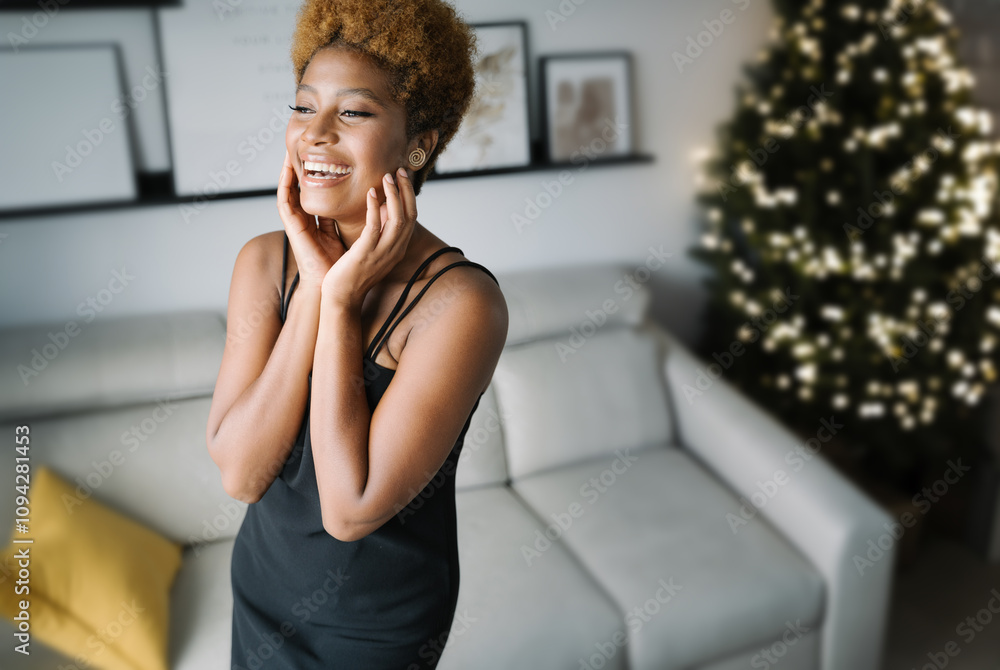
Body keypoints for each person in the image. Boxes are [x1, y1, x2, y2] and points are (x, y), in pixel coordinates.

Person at [204, 0, 508, 667]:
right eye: (303, 107)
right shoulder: (263, 263)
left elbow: (350, 509)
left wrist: (339, 303)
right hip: (260, 590)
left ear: (419, 143)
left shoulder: (461, 304)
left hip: (375, 626)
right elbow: (242, 475)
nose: (314, 134)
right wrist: (315, 286)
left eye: (353, 112)